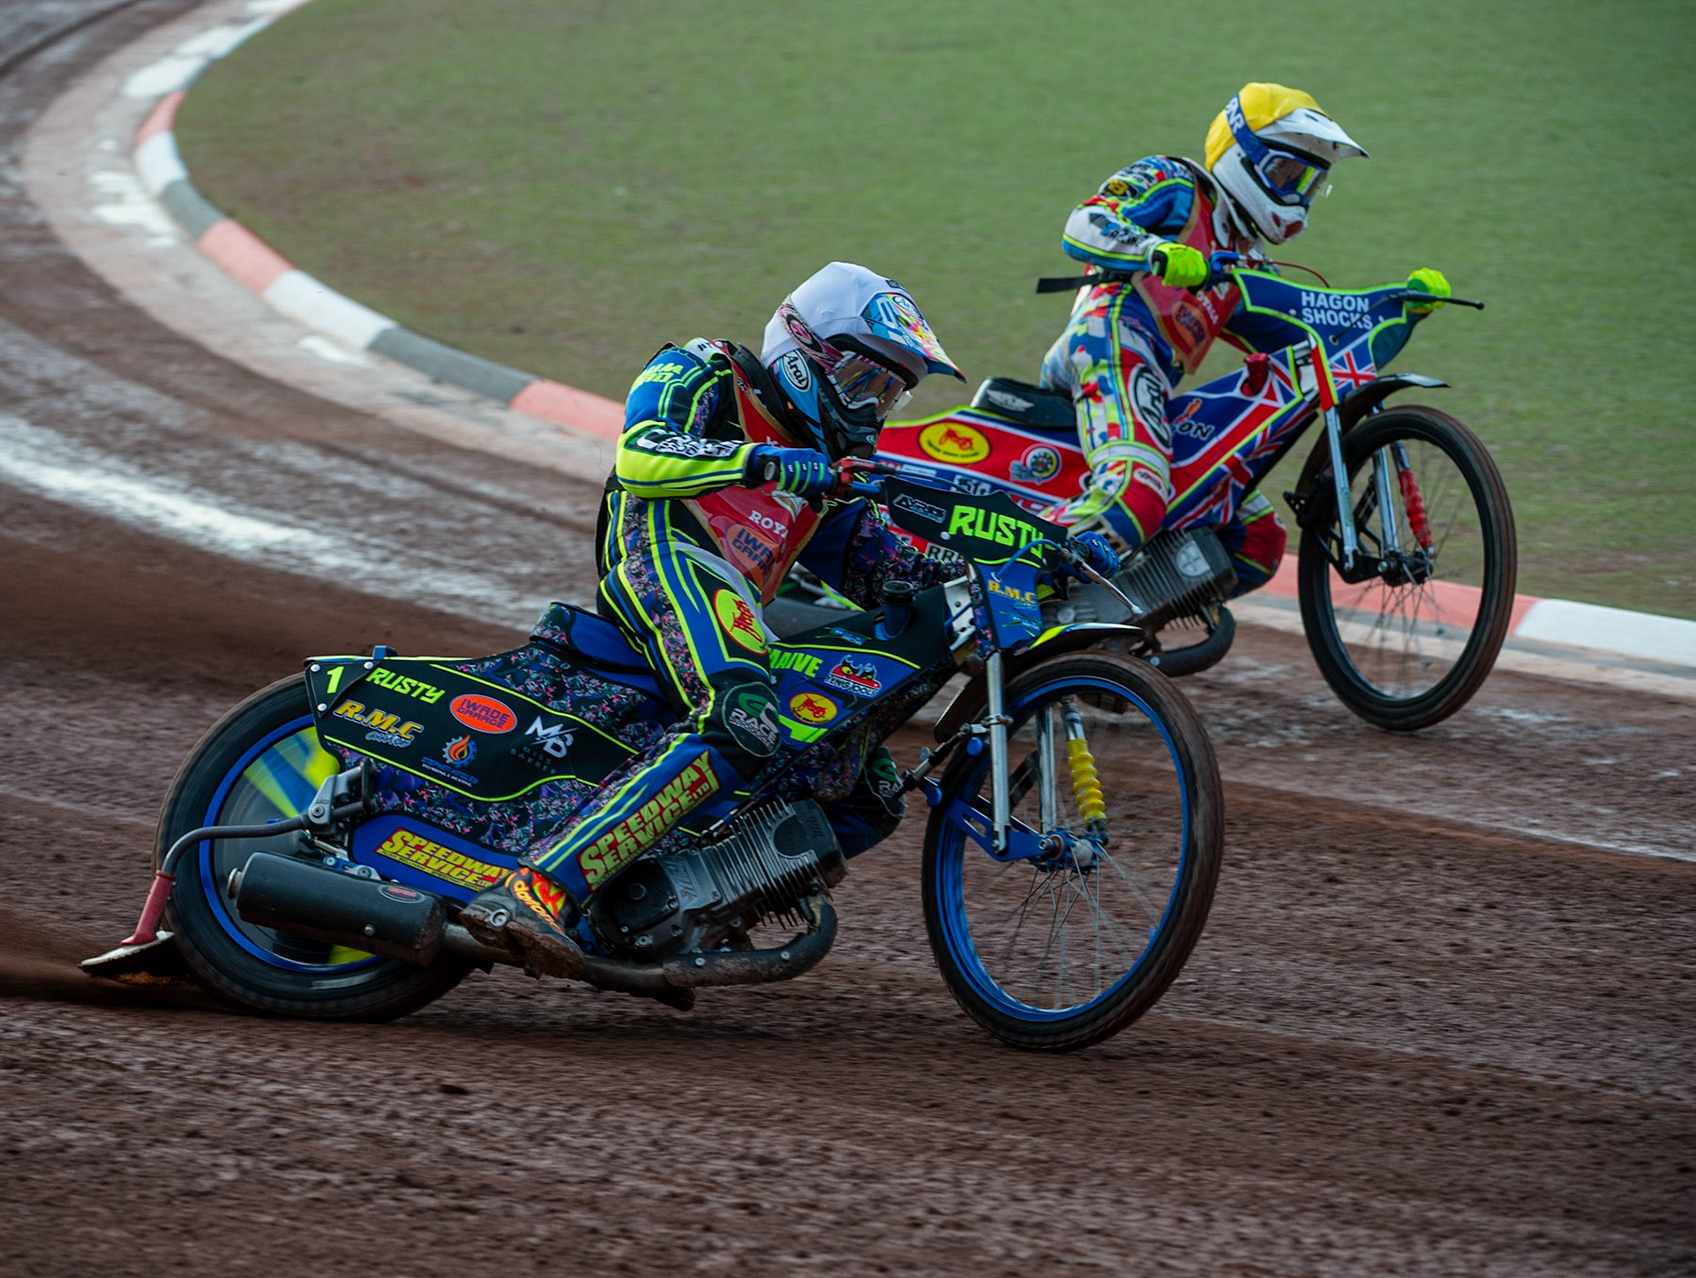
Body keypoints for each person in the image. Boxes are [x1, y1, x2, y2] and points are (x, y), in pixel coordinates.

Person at [464, 263, 1107, 979]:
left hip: (737, 606)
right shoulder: (703, 369)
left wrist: (1015, 557)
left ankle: (692, 904)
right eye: (867, 384)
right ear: (808, 353)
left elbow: (879, 565)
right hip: (663, 555)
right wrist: (766, 462)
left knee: (867, 795)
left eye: (891, 394)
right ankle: (537, 888)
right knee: (742, 712)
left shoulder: (829, 475)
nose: (875, 409)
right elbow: (640, 455)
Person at [1040, 82, 1451, 592]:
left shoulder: (1250, 262)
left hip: (1153, 388)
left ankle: (1109, 629)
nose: (1297, 196)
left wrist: (1396, 306)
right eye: (1286, 174)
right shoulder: (1176, 180)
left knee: (1256, 542)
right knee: (1136, 498)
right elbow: (1084, 221)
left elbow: (1301, 330)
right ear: (1241, 155)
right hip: (1106, 342)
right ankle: (1001, 583)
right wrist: (1155, 251)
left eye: (1309, 183)